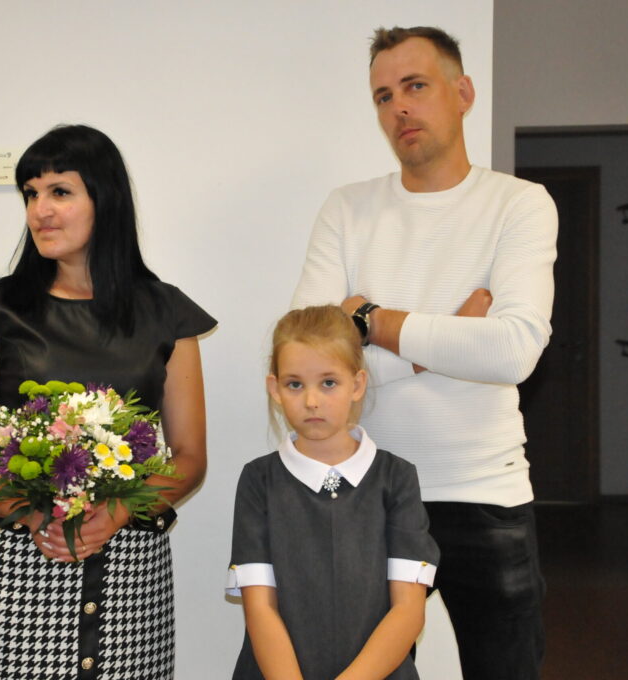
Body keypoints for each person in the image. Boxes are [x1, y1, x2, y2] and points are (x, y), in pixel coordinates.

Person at [290, 26, 557, 680]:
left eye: (415, 86)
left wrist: (369, 321)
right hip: (366, 492)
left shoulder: (518, 205)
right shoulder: (348, 209)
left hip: (485, 491)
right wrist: (441, 342)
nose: (399, 108)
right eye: (384, 96)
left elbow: (513, 351)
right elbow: (309, 363)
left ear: (462, 93)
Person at [0, 124, 216, 679]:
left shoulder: (167, 313)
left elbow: (190, 457)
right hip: (15, 571)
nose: (40, 211)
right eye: (31, 194)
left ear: (105, 200)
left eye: (60, 191)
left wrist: (118, 513)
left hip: (130, 571)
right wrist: (27, 507)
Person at [227, 305, 439, 680]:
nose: (311, 401)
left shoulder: (397, 479)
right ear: (274, 389)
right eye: (295, 384)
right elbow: (260, 608)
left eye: (328, 383)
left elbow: (408, 610)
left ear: (357, 384)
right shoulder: (259, 481)